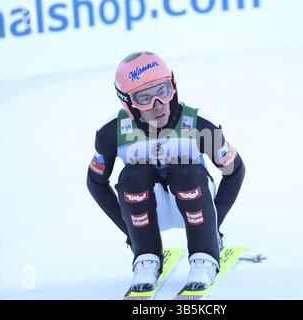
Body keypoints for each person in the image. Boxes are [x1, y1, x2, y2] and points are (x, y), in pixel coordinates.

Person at [87, 51, 245, 292]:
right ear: (127, 103)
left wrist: (214, 225)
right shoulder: (112, 133)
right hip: (145, 210)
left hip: (197, 206)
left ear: (173, 87)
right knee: (131, 176)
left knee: (186, 171)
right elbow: (95, 182)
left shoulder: (200, 125)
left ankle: (205, 253)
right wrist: (129, 230)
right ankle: (146, 255)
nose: (157, 105)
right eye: (144, 98)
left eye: (162, 91)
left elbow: (235, 171)